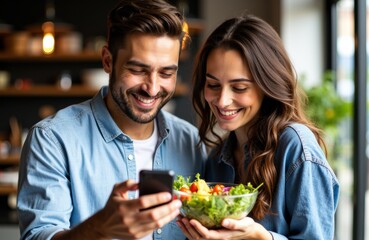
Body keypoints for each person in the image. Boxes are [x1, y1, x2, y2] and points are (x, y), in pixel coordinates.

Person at [17, 0, 206, 239]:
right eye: (138, 70)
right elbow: (38, 235)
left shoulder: (191, 140)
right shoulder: (52, 139)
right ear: (108, 60)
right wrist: (99, 228)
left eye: (167, 73)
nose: (152, 88)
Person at [177, 14, 340, 239]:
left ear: (267, 85)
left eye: (240, 87)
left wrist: (260, 237)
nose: (222, 100)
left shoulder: (295, 148)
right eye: (213, 84)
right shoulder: (217, 159)